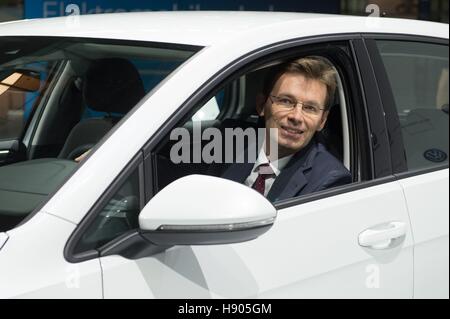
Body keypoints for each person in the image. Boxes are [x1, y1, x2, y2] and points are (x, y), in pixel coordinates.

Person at [221, 56, 351, 202]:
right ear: (262, 105)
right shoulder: (226, 146)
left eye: (310, 108)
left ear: (322, 121)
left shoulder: (329, 181)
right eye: (286, 101)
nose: (296, 117)